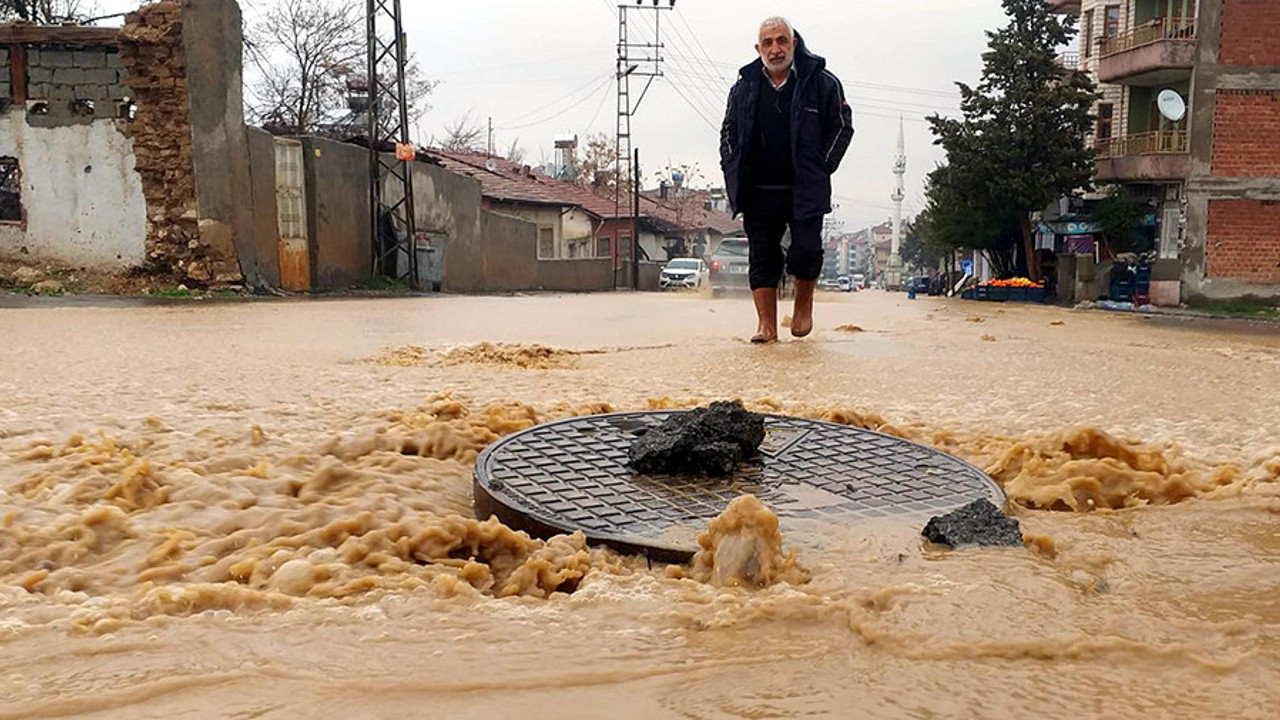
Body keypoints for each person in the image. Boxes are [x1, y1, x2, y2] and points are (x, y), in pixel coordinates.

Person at [720, 16, 854, 343]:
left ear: (793, 43)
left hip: (804, 187)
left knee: (805, 251)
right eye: (768, 43)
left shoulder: (822, 82)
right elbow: (729, 132)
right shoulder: (743, 87)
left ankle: (803, 306)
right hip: (758, 188)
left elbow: (842, 126)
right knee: (762, 256)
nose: (775, 49)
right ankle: (766, 326)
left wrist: (822, 166)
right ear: (758, 49)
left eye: (781, 41)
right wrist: (732, 165)